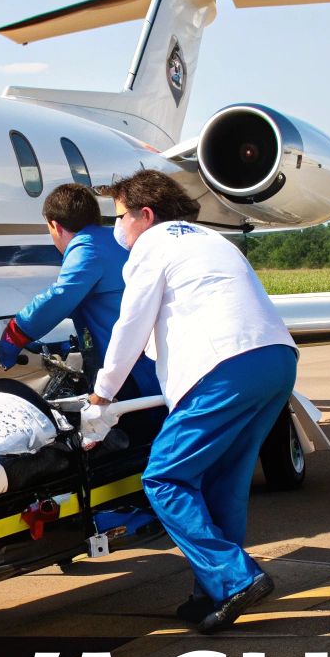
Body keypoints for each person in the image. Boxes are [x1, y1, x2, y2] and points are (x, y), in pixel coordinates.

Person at [89, 169, 298, 633]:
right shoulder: (211, 241)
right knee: (225, 481)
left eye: (119, 216)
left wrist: (101, 395)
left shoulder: (152, 246)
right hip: (276, 359)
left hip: (224, 368)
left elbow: (130, 327)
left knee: (164, 477)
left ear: (145, 215)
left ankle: (235, 577)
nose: (116, 226)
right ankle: (211, 595)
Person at [0, 183, 161, 407]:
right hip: (152, 363)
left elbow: (61, 295)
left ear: (56, 226)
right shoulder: (116, 240)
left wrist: (17, 332)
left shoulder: (87, 246)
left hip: (130, 374)